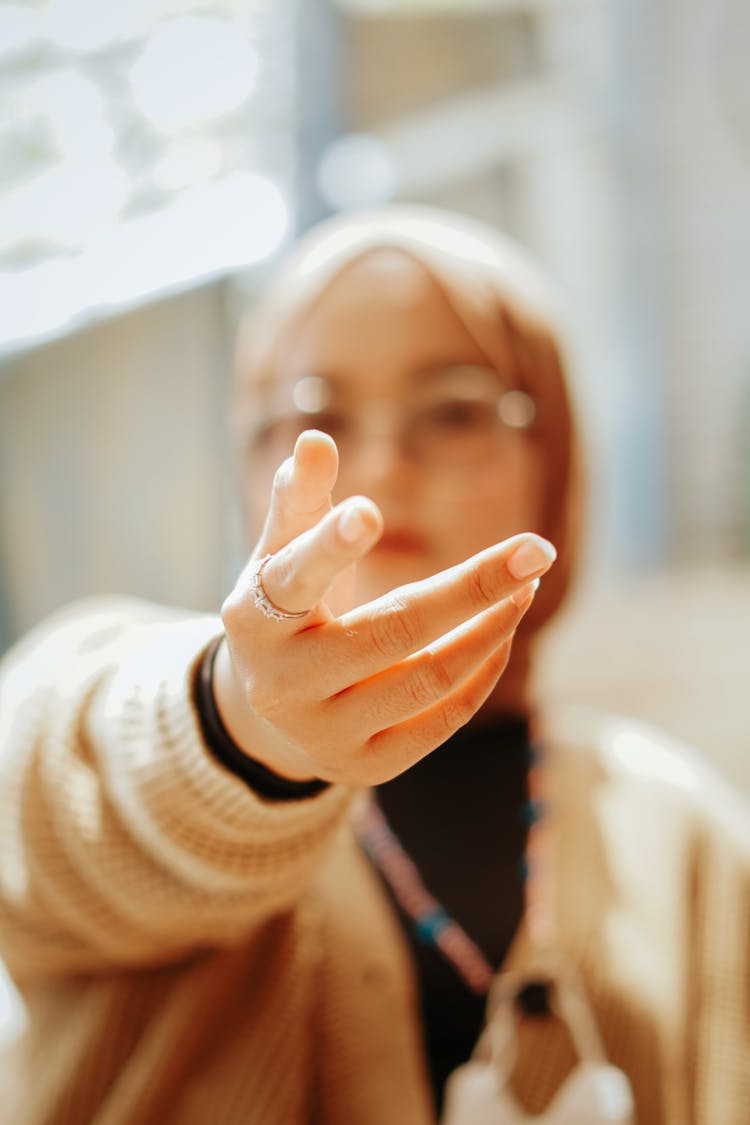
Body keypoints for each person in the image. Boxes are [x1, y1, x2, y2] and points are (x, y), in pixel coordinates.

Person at [0, 206, 748, 1125]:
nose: (385, 465)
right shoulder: (126, 706)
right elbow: (53, 792)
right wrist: (239, 721)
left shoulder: (686, 831)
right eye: (316, 415)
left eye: (457, 409)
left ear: (554, 464)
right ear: (250, 461)